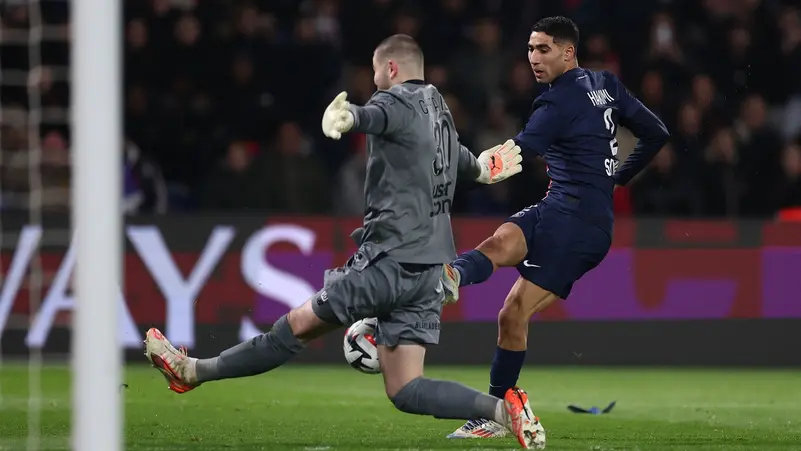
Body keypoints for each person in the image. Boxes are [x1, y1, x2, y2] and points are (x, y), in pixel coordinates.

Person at [143, 34, 546, 449]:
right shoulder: (439, 109)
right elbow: (462, 160)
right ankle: (504, 410)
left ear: (391, 68)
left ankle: (191, 371)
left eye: (375, 72)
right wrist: (482, 169)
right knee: (406, 388)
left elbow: (374, 115)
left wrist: (349, 117)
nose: (374, 81)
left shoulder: (394, 100)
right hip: (430, 273)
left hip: (386, 263)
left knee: (292, 330)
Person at [443, 17, 670, 439]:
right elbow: (656, 133)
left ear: (568, 52)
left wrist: (459, 173)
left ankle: (495, 414)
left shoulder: (556, 102)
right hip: (558, 207)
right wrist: (618, 178)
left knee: (514, 312)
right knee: (500, 243)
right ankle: (451, 276)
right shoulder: (605, 83)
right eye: (530, 48)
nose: (533, 58)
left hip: (580, 227)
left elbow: (517, 154)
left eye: (543, 49)